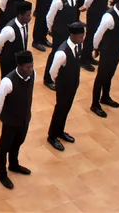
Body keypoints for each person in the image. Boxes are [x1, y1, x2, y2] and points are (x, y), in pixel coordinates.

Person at [0, 50, 34, 188]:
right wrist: (6, 116)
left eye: (32, 66)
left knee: (18, 142)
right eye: (27, 67)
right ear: (20, 66)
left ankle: (14, 164)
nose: (30, 69)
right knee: (4, 146)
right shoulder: (8, 82)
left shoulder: (32, 75)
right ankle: (1, 173)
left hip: (24, 118)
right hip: (10, 121)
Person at [90, 0, 119, 118]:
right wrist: (96, 48)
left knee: (110, 74)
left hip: (116, 50)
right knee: (101, 77)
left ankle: (105, 97)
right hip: (107, 51)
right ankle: (95, 104)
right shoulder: (108, 17)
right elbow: (98, 34)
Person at [47, 22, 85, 151]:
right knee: (60, 110)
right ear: (72, 36)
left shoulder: (78, 45)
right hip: (63, 86)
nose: (82, 39)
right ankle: (52, 136)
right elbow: (53, 72)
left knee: (66, 109)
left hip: (73, 84)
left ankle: (60, 131)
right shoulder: (62, 53)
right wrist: (60, 83)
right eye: (80, 37)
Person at [44, 0, 80, 90]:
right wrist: (51, 30)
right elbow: (49, 17)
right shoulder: (58, 0)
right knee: (55, 53)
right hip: (59, 32)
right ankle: (48, 78)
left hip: (70, 32)